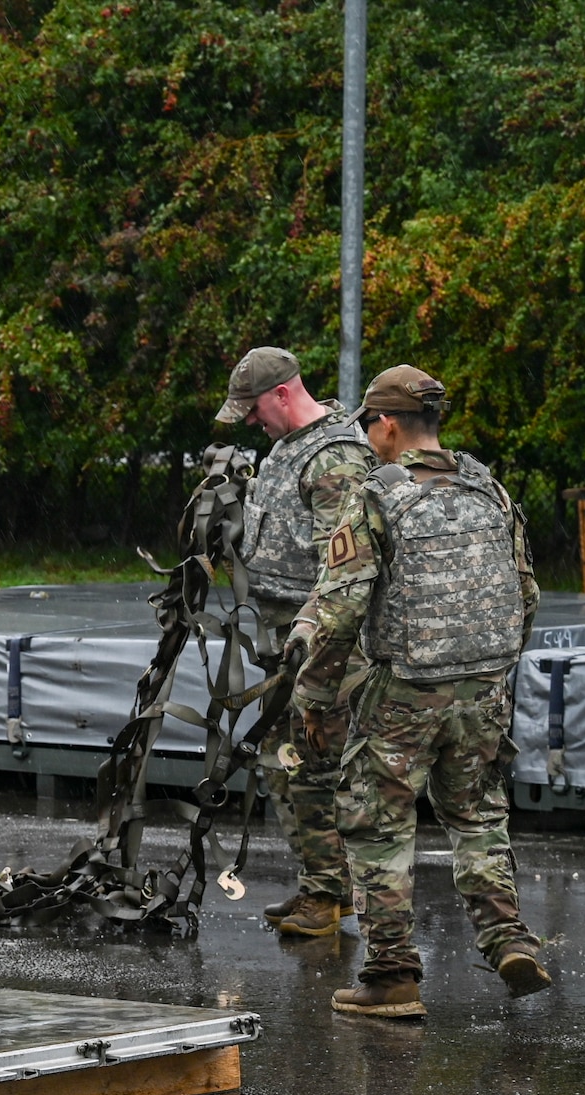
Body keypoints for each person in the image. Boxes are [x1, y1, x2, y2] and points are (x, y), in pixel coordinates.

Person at [290, 365, 551, 1018]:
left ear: (387, 425)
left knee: (377, 823)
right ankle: (509, 939)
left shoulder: (377, 496)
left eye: (369, 427)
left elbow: (340, 610)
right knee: (478, 816)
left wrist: (315, 697)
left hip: (405, 691)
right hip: (484, 689)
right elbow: (526, 593)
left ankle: (391, 975)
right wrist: (490, 672)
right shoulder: (488, 487)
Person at [214, 347, 375, 939]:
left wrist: (319, 646)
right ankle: (323, 885)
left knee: (309, 766)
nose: (252, 422)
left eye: (255, 409)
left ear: (282, 394)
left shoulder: (335, 459)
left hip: (324, 639)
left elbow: (345, 568)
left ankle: (329, 894)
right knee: (285, 763)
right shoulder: (288, 447)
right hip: (285, 634)